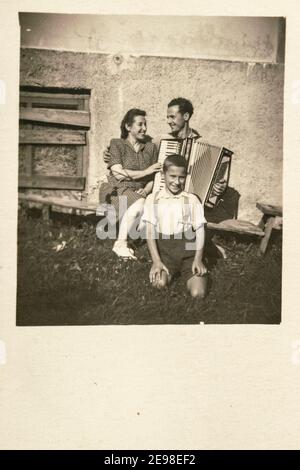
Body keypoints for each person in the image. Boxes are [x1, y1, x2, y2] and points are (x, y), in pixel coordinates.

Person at [98, 108, 161, 259]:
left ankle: (130, 242)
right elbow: (118, 173)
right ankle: (120, 243)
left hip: (140, 191)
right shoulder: (117, 144)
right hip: (117, 189)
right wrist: (145, 172)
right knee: (140, 204)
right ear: (128, 127)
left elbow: (154, 176)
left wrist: (146, 189)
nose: (144, 128)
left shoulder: (151, 147)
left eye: (145, 124)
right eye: (140, 124)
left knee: (150, 207)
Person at [142, 154, 208, 298]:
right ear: (162, 175)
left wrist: (198, 259)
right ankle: (168, 272)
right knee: (158, 284)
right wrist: (156, 261)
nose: (177, 182)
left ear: (186, 177)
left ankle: (190, 274)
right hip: (165, 254)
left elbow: (200, 231)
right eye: (172, 176)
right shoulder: (153, 199)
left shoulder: (191, 199)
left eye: (181, 177)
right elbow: (149, 232)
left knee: (198, 293)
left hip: (188, 254)